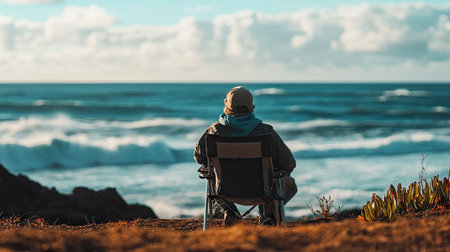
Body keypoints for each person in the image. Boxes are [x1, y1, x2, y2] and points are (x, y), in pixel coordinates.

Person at [193, 86, 297, 226]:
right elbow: (288, 163)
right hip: (262, 192)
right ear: (251, 106)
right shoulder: (266, 131)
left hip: (224, 191)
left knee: (211, 176)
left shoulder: (214, 131)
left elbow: (199, 157)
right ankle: (268, 215)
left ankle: (230, 212)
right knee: (290, 185)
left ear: (227, 105)